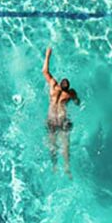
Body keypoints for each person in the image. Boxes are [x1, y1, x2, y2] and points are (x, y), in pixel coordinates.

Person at [42, 46, 79, 175]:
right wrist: (47, 56)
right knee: (58, 145)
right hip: (57, 120)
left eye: (65, 82)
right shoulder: (61, 89)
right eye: (64, 81)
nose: (64, 82)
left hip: (58, 120)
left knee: (60, 145)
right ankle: (60, 167)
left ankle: (61, 167)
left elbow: (45, 71)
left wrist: (47, 56)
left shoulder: (62, 89)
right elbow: (45, 71)